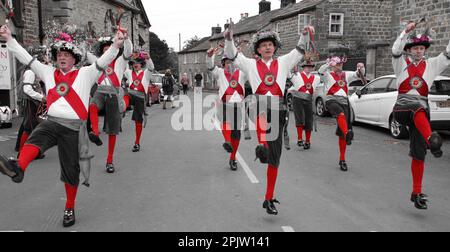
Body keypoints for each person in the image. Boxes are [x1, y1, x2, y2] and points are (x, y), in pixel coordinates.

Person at [0, 24, 124, 228]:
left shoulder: (86, 73)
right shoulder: (47, 72)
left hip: (73, 128)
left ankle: (69, 206)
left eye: (66, 54)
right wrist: (9, 39)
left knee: (70, 170)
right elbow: (24, 57)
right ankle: (18, 169)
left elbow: (104, 61)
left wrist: (116, 45)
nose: (62, 57)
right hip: (53, 122)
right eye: (59, 54)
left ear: (74, 58)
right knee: (36, 135)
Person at [224, 22, 312, 215]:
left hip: (279, 109)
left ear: (275, 47)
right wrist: (229, 39)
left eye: (270, 44)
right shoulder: (250, 64)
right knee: (262, 116)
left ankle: (268, 198)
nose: (267, 47)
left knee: (275, 159)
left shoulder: (283, 62)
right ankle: (262, 143)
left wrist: (305, 35)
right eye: (263, 45)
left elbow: (299, 50)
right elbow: (232, 55)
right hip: (259, 105)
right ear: (257, 49)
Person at [392, 22, 450, 210]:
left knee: (418, 154)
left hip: (421, 112)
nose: (418, 51)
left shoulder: (432, 65)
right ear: (409, 50)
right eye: (415, 48)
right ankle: (431, 138)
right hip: (402, 108)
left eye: (421, 48)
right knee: (417, 109)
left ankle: (416, 193)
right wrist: (405, 32)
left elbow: (448, 54)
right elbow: (395, 49)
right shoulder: (400, 63)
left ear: (425, 50)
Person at [86, 34, 133, 174]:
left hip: (113, 92)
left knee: (113, 130)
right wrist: (82, 41)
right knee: (92, 106)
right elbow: (85, 53)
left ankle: (109, 161)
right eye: (105, 50)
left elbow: (128, 51)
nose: (108, 52)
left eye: (110, 49)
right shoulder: (97, 61)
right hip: (100, 90)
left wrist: (126, 38)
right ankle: (95, 131)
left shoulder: (120, 62)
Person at [318, 56, 365, 172]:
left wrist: (361, 68)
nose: (340, 66)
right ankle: (347, 132)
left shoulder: (346, 75)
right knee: (340, 115)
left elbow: (358, 74)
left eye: (341, 64)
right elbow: (320, 71)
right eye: (337, 64)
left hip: (344, 102)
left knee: (342, 134)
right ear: (333, 65)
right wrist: (329, 64)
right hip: (331, 100)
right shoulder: (328, 75)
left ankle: (342, 159)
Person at [207, 48, 248, 171]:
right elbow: (210, 66)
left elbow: (248, 66)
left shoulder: (242, 73)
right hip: (224, 103)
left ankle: (233, 157)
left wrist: (239, 53)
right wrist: (210, 56)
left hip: (238, 105)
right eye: (227, 62)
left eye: (232, 61)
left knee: (236, 133)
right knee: (226, 123)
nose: (229, 64)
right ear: (223, 63)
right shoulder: (219, 72)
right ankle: (227, 141)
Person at [124, 51, 155, 152]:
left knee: (138, 121)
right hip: (131, 94)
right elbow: (123, 66)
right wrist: (127, 55)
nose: (135, 65)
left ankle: (137, 143)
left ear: (141, 64)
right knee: (125, 94)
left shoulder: (146, 73)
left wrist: (148, 58)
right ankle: (122, 108)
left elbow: (151, 67)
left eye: (137, 63)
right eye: (133, 63)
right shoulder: (129, 73)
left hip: (141, 98)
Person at [289, 61, 320, 150]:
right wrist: (292, 66)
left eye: (310, 67)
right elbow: (287, 73)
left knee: (308, 120)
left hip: (309, 100)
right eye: (307, 67)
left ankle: (307, 141)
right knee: (299, 118)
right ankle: (299, 138)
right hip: (298, 99)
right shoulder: (296, 75)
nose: (308, 68)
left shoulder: (316, 78)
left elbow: (323, 72)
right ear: (303, 67)